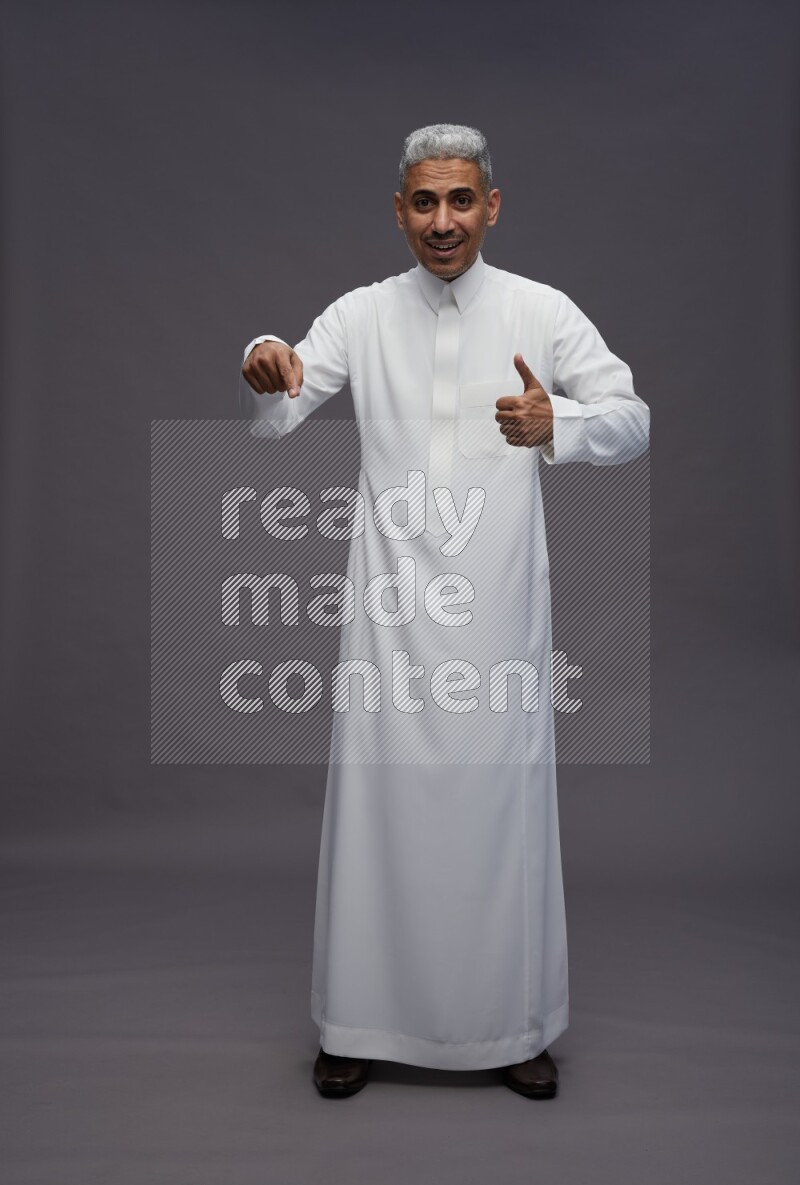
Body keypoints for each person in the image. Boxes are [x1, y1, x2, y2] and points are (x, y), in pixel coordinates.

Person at [240, 124, 650, 1099]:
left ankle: (510, 1028)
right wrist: (263, 359)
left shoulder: (540, 311)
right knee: (377, 817)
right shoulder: (361, 314)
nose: (442, 220)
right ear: (398, 210)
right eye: (423, 202)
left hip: (499, 614)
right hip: (387, 613)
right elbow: (286, 394)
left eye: (459, 200)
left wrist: (566, 423)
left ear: (491, 206)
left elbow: (630, 418)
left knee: (496, 816)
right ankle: (357, 1020)